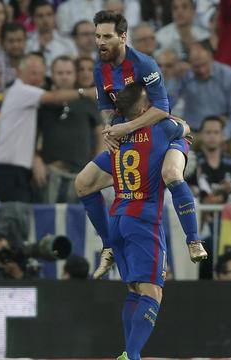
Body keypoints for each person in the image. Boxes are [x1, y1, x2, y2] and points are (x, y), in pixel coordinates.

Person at [73, 11, 206, 279]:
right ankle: (109, 245)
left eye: (107, 36)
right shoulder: (100, 68)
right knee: (83, 183)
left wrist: (127, 127)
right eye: (98, 36)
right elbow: (106, 109)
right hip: (129, 138)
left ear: (122, 37)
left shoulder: (144, 65)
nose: (100, 42)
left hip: (163, 133)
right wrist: (110, 130)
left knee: (171, 174)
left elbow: (161, 109)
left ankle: (193, 239)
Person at [92, 82, 190, 360]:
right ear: (145, 107)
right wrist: (181, 138)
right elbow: (185, 128)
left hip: (118, 217)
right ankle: (132, 355)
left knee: (134, 290)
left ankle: (128, 352)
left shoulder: (116, 134)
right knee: (152, 292)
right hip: (144, 220)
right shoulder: (160, 129)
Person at [0, 52, 93, 203]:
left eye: (40, 73)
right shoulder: (21, 91)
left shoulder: (32, 97)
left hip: (23, 170)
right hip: (10, 170)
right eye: (33, 73)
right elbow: (53, 97)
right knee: (14, 218)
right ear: (20, 72)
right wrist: (87, 92)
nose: (37, 78)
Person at [36, 55, 103, 203]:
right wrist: (36, 160)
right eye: (60, 73)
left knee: (77, 222)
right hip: (50, 174)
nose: (64, 77)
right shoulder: (43, 103)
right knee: (49, 220)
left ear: (75, 75)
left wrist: (95, 169)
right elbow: (31, 137)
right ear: (52, 75)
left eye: (68, 73)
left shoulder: (87, 102)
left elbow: (101, 138)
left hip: (81, 176)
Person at [177, 42, 231, 138]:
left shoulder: (228, 75)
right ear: (189, 63)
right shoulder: (184, 77)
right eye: (197, 67)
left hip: (222, 132)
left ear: (211, 57)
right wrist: (174, 78)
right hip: (193, 134)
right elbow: (169, 105)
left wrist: (224, 135)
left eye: (205, 64)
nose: (202, 70)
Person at [0, 22, 27, 90]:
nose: (15, 45)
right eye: (11, 41)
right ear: (2, 43)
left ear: (25, 42)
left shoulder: (31, 62)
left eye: (19, 40)